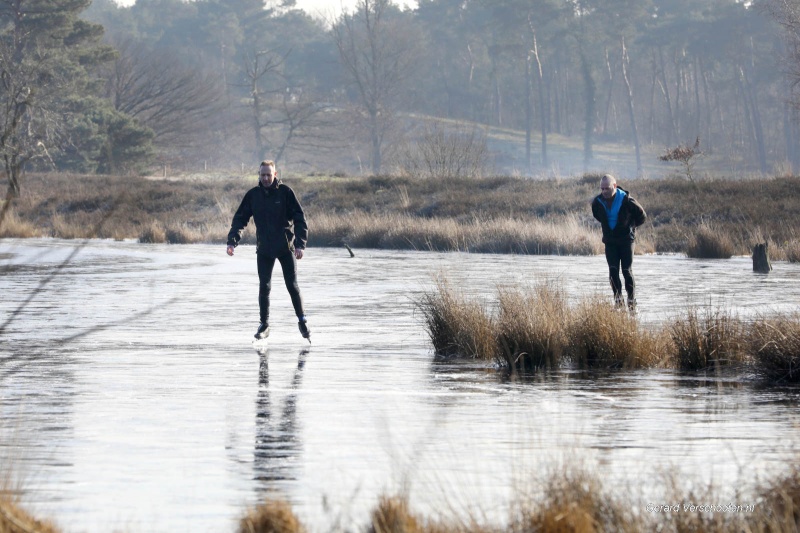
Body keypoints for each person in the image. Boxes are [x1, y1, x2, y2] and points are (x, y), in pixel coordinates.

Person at [227, 160, 310, 341]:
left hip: (285, 248)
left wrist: (300, 245)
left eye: (269, 175)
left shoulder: (286, 192)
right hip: (264, 249)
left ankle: (302, 321)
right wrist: (232, 242)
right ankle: (264, 325)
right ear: (259, 175)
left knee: (292, 285)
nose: (265, 178)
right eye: (262, 175)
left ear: (275, 174)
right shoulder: (253, 195)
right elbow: (240, 219)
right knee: (264, 287)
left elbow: (300, 219)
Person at [591, 173, 647, 312]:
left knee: (626, 270)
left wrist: (629, 228)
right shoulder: (597, 202)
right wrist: (610, 231)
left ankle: (632, 300)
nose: (604, 191)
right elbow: (598, 216)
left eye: (607, 188)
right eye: (602, 188)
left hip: (626, 241)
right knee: (613, 270)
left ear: (614, 186)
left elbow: (642, 216)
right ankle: (618, 299)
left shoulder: (627, 200)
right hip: (610, 241)